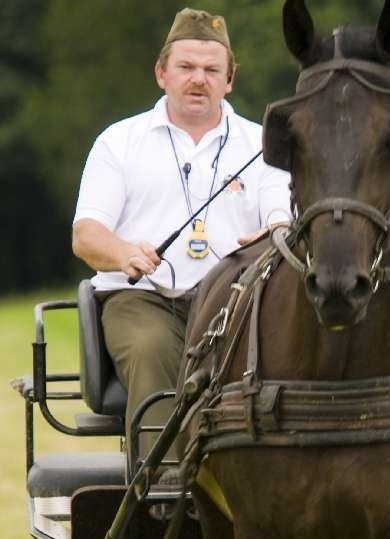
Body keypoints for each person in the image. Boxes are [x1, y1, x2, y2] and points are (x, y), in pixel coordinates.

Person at [72, 8, 290, 453]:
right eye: (186, 67)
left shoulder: (262, 145)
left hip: (237, 301)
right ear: (161, 73)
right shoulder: (119, 142)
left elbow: (281, 215)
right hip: (144, 299)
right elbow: (87, 235)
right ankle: (163, 483)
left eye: (212, 70)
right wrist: (123, 252)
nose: (198, 79)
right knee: (152, 348)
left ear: (230, 79)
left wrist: (275, 232)